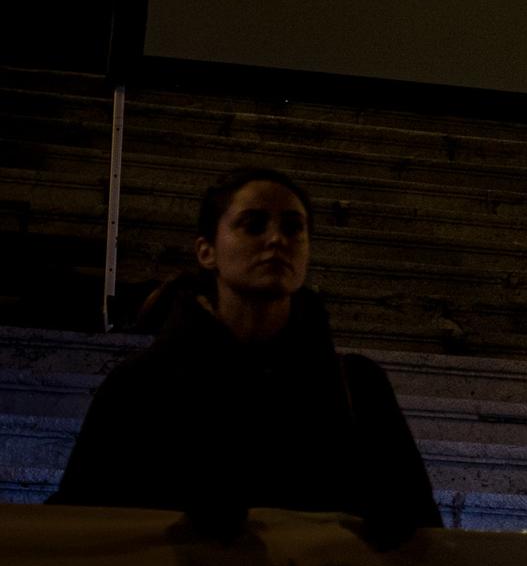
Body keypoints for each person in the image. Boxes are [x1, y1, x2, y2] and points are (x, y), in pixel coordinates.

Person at [50, 168, 440, 540]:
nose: (276, 240)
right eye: (253, 225)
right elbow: (79, 524)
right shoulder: (140, 386)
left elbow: (423, 528)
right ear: (207, 251)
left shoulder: (359, 386)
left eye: (293, 227)